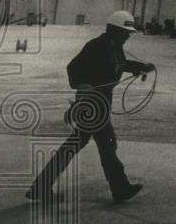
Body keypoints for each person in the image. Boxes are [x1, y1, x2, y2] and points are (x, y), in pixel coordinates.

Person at [26, 11, 155, 204]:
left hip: (101, 103)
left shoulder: (115, 47)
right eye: (124, 32)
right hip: (92, 103)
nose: (128, 35)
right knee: (107, 146)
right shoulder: (96, 46)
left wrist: (139, 67)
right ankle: (120, 188)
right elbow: (73, 67)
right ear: (113, 30)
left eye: (129, 32)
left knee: (79, 145)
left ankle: (40, 187)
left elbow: (119, 64)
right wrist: (82, 84)